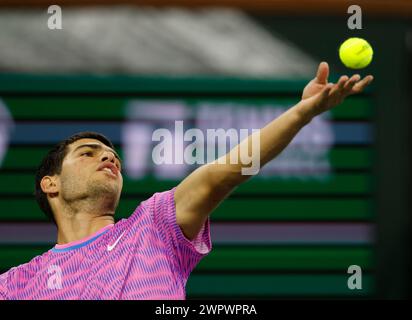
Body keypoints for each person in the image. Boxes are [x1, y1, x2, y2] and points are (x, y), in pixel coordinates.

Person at [0, 62, 373, 300]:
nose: (108, 156)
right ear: (51, 184)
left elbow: (228, 170)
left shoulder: (153, 226)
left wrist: (303, 113)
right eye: (87, 152)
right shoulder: (16, 285)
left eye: (112, 154)